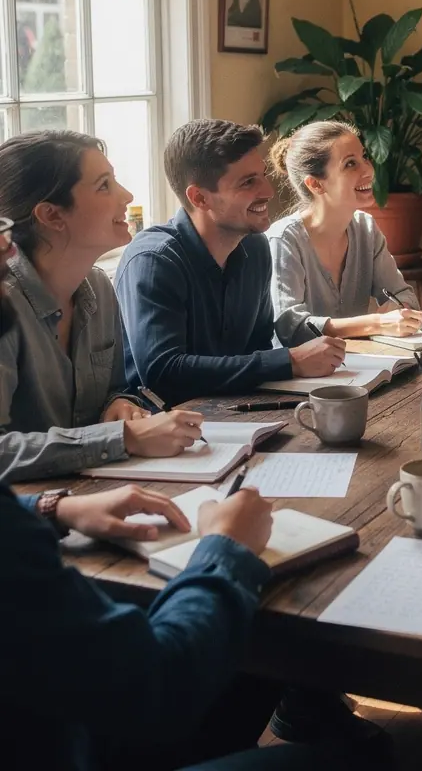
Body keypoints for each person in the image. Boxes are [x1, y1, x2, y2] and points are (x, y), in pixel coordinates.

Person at [0, 214, 360, 771]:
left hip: (57, 718)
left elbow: (126, 381)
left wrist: (54, 507)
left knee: (248, 674)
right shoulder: (149, 260)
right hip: (89, 733)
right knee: (364, 755)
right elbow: (155, 686)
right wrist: (224, 551)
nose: (8, 246)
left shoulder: (99, 287)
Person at [0, 131, 203, 483]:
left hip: (97, 493)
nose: (127, 195)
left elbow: (114, 389)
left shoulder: (98, 287)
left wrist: (119, 404)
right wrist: (122, 437)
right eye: (104, 186)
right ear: (51, 215)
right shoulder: (6, 308)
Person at [116, 119, 347, 407]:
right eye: (248, 182)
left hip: (238, 413)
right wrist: (289, 360)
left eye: (262, 175)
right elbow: (163, 373)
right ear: (200, 197)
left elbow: (256, 349)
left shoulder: (256, 247)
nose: (268, 192)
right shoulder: (154, 261)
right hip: (165, 428)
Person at [266, 121, 422, 346]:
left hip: (357, 368)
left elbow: (404, 295)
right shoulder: (283, 240)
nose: (368, 170)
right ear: (315, 184)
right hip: (297, 379)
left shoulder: (366, 229)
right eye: (350, 164)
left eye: (364, 157)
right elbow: (290, 328)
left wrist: (398, 308)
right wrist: (377, 323)